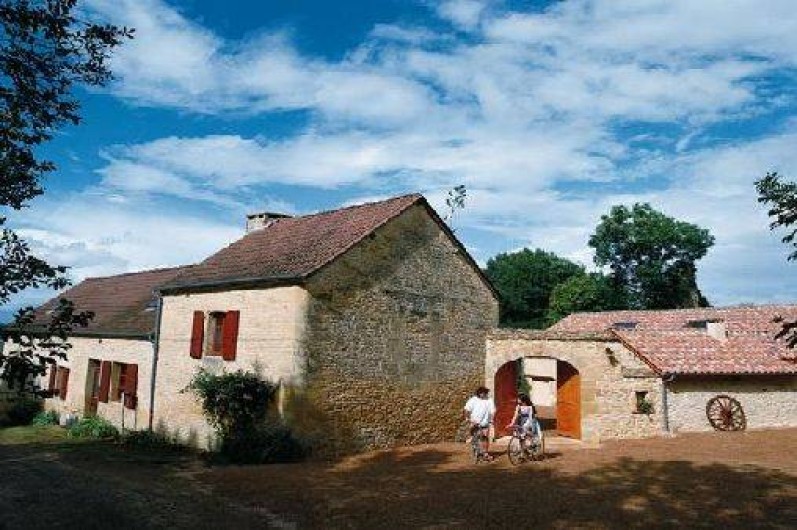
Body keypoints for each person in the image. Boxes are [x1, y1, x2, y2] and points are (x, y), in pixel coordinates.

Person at [463, 386, 496, 461]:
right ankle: (473, 445)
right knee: (474, 435)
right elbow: (467, 409)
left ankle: (485, 453)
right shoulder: (473, 400)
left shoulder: (489, 400)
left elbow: (492, 411)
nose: (483, 394)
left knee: (485, 438)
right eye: (481, 393)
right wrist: (467, 418)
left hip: (485, 423)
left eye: (484, 393)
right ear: (478, 393)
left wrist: (491, 420)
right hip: (474, 422)